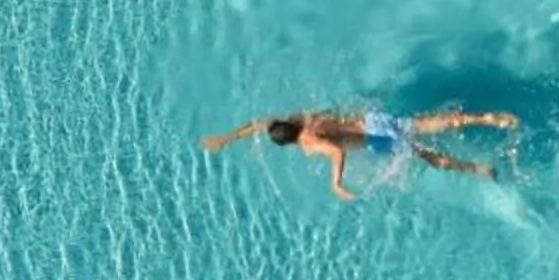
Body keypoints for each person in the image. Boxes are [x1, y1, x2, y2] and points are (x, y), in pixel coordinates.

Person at [202, 108, 520, 202]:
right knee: (425, 124)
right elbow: (258, 125)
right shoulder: (302, 118)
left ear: (288, 143)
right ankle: (486, 118)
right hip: (370, 120)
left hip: (376, 141)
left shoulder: (310, 143)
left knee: (430, 158)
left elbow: (336, 151)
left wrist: (336, 184)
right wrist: (227, 138)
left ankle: (479, 170)